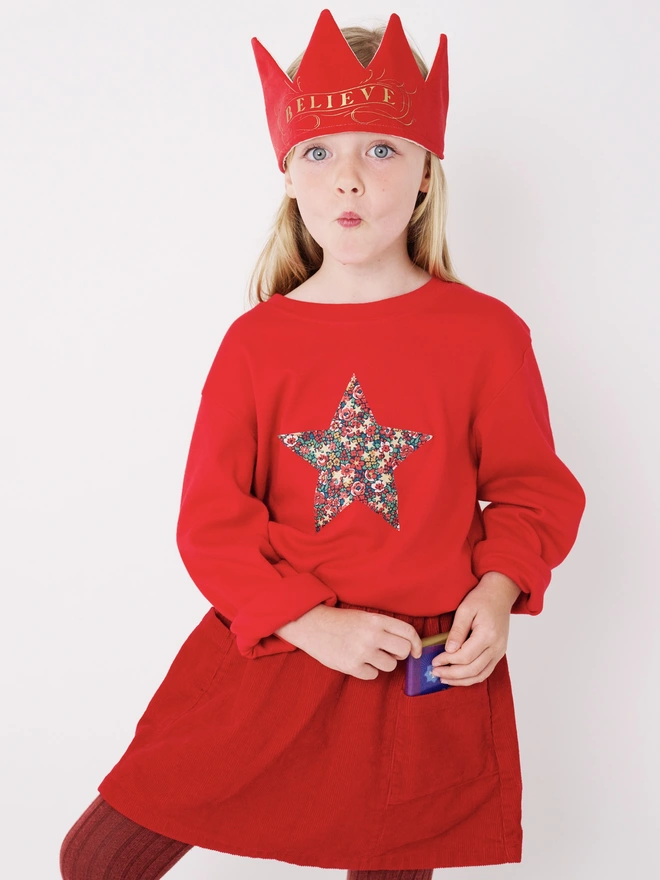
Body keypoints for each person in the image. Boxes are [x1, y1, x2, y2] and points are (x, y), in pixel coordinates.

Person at [60, 9, 587, 879]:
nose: (350, 180)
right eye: (320, 153)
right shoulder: (257, 343)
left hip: (419, 671)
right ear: (290, 179)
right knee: (101, 858)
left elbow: (534, 492)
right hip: (275, 654)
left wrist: (496, 596)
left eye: (380, 150)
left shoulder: (486, 334)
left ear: (424, 174)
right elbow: (212, 524)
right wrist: (310, 624)